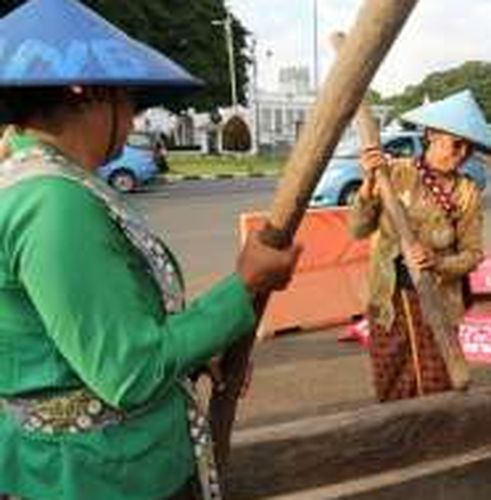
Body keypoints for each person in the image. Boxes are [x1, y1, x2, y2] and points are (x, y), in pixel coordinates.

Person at [0, 1, 300, 499]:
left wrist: (194, 351)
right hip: (104, 477)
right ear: (89, 89)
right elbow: (131, 369)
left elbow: (94, 336)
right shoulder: (53, 202)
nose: (135, 114)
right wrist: (245, 286)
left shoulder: (38, 181)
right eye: (130, 97)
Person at [349, 90, 491, 402]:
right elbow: (358, 229)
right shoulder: (396, 173)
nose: (461, 154)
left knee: (438, 384)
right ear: (431, 135)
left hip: (439, 303)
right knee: (392, 381)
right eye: (455, 144)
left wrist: (436, 261)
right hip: (390, 301)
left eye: (469, 149)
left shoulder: (467, 192)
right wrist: (368, 185)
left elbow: (473, 255)